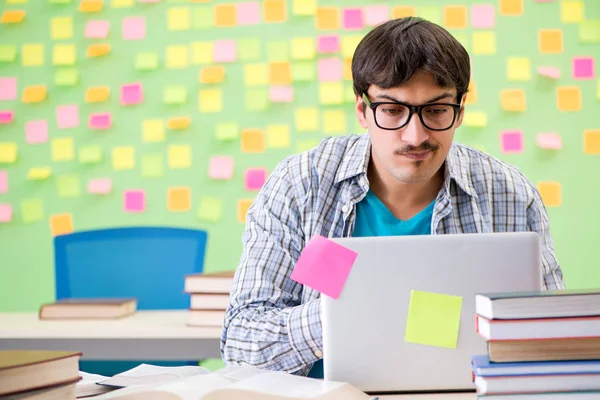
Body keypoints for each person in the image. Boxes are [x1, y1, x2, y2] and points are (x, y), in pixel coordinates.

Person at [220, 17, 565, 377]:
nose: (414, 135)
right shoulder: (300, 186)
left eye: (435, 111)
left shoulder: (509, 195)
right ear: (362, 110)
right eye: (392, 110)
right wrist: (345, 310)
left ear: (460, 110)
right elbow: (242, 346)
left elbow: (552, 342)